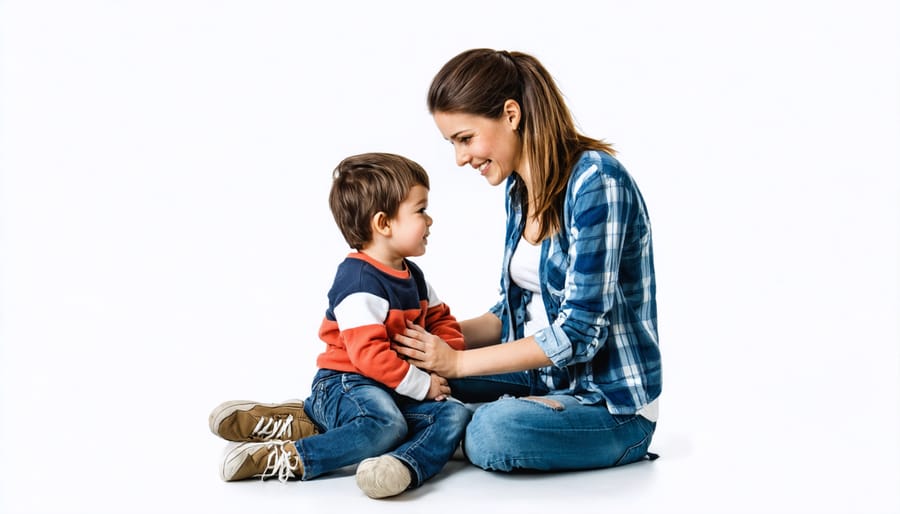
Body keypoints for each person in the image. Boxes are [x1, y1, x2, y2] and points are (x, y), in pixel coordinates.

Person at [392, 48, 662, 472]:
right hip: (543, 380)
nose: (461, 158)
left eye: (465, 139)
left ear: (511, 115)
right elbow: (510, 311)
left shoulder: (597, 183)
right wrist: (426, 338)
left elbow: (578, 334)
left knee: (494, 433)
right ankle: (338, 423)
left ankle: (427, 430)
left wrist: (457, 362)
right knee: (405, 374)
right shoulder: (519, 191)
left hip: (609, 405)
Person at [208, 152, 471, 499]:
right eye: (420, 210)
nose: (430, 219)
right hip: (347, 381)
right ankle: (290, 455)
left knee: (452, 414)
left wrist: (444, 355)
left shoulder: (413, 275)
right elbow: (368, 357)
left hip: (393, 386)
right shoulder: (358, 280)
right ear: (384, 223)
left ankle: (400, 464)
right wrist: (423, 385)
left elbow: (441, 319)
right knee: (385, 425)